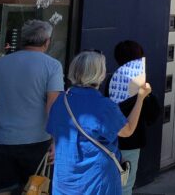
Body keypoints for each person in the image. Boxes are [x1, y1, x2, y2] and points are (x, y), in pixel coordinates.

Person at [46, 51, 152, 195]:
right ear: (100, 75)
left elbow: (54, 133)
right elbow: (127, 131)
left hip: (65, 181)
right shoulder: (104, 106)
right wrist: (140, 98)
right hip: (98, 182)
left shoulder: (61, 100)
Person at [0, 20, 63, 194]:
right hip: (36, 141)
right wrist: (56, 141)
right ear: (47, 41)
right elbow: (53, 107)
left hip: (0, 138)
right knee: (36, 190)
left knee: (1, 190)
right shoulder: (52, 66)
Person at [109, 41, 162, 195]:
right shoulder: (139, 85)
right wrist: (147, 95)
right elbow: (152, 115)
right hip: (131, 142)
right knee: (125, 186)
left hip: (109, 140)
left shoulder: (111, 81)